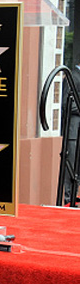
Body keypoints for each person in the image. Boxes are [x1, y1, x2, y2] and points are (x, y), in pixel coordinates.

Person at [61, 63, 80, 205]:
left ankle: (74, 199)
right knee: (71, 169)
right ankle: (69, 202)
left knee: (77, 170)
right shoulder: (73, 76)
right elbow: (66, 103)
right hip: (73, 133)